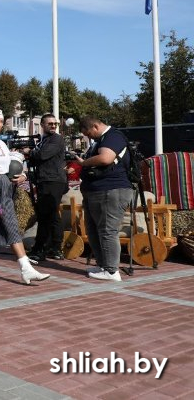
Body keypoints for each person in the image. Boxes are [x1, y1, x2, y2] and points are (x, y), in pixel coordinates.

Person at [0, 108, 50, 285]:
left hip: (3, 186)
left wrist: (22, 176)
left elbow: (9, 166)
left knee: (11, 224)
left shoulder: (2, 144)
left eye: (1, 121)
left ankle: (26, 268)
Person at [76, 116, 133, 282]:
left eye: (88, 133)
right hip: (97, 191)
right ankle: (103, 265)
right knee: (93, 230)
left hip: (111, 190)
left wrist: (84, 163)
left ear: (95, 126)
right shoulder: (102, 139)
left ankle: (111, 271)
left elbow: (105, 158)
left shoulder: (113, 136)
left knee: (108, 230)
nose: (88, 137)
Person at [26, 114, 69, 262]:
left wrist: (29, 152)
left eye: (55, 124)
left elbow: (43, 155)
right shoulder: (44, 140)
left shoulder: (57, 139)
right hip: (45, 180)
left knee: (46, 215)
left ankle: (41, 248)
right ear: (42, 125)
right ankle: (54, 247)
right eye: (50, 124)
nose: (53, 126)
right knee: (52, 214)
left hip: (53, 180)